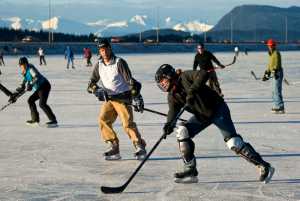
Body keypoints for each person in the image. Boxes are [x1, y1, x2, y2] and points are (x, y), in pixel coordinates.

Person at [155, 64, 275, 184]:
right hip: (202, 116)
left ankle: (264, 166)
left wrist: (192, 90)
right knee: (182, 131)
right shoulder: (172, 96)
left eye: (162, 80)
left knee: (233, 142)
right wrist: (168, 125)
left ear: (169, 76)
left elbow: (204, 73)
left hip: (217, 109)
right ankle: (190, 170)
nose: (162, 84)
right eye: (160, 83)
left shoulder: (185, 76)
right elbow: (172, 112)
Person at [87, 39, 147, 160]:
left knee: (127, 124)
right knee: (103, 120)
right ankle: (113, 146)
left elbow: (131, 82)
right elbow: (90, 84)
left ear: (110, 48)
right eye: (101, 50)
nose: (104, 52)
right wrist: (96, 90)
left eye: (106, 49)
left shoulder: (119, 62)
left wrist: (136, 97)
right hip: (109, 99)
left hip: (122, 98)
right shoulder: (99, 64)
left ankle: (139, 145)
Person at [9, 57, 58, 127]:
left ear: (26, 64)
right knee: (30, 100)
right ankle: (35, 119)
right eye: (20, 65)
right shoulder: (24, 71)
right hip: (39, 88)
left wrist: (31, 84)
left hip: (44, 86)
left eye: (22, 65)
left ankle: (53, 121)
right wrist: (18, 91)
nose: (21, 66)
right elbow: (24, 82)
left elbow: (36, 77)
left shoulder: (30, 69)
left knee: (42, 104)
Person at [262, 39, 285, 114]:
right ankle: (276, 105)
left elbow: (277, 63)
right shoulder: (270, 54)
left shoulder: (276, 53)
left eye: (272, 46)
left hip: (278, 72)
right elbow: (270, 64)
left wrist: (275, 70)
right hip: (273, 72)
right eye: (269, 46)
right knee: (273, 91)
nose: (270, 47)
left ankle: (280, 107)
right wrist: (267, 73)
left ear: (274, 46)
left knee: (277, 90)